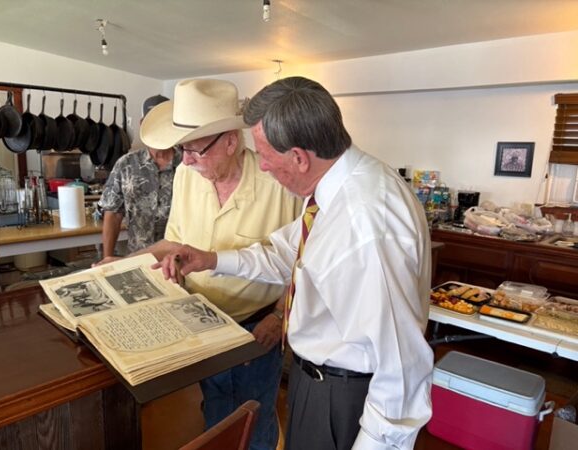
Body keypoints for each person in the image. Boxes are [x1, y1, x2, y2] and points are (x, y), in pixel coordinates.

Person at [156, 76, 434, 450]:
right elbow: (286, 253)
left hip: (348, 394)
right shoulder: (332, 188)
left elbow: (401, 366)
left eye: (266, 157)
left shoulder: (366, 223)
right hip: (318, 380)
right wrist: (211, 260)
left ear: (299, 157)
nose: (263, 168)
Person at [126, 79, 302, 450]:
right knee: (217, 413)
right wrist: (120, 264)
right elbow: (174, 241)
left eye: (194, 150)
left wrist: (279, 316)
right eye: (182, 150)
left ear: (231, 141)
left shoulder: (279, 183)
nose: (185, 161)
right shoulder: (188, 177)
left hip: (257, 327)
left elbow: (302, 259)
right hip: (201, 322)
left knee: (256, 417)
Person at [96, 94, 181, 261]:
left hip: (180, 260)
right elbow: (113, 213)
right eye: (153, 122)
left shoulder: (189, 163)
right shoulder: (126, 164)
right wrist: (108, 258)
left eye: (165, 121)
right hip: (138, 258)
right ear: (142, 124)